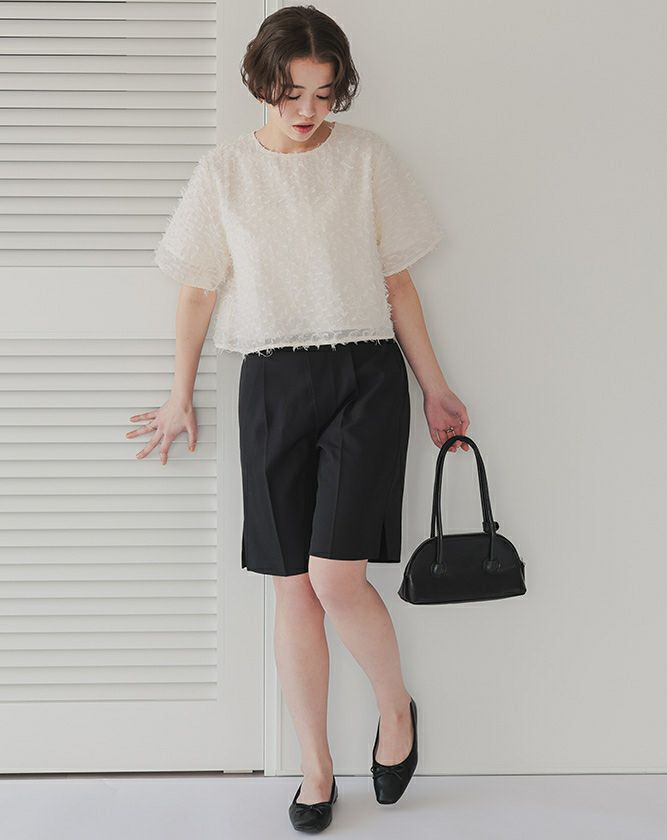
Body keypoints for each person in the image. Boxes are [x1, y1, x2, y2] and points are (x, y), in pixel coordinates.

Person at [129, 5, 470, 833]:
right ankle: (316, 768)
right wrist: (178, 393)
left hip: (365, 378)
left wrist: (435, 388)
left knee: (335, 578)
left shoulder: (367, 160)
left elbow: (397, 285)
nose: (310, 110)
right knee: (293, 588)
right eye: (293, 94)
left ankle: (396, 710)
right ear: (261, 83)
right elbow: (198, 291)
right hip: (272, 382)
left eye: (324, 93)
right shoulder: (224, 174)